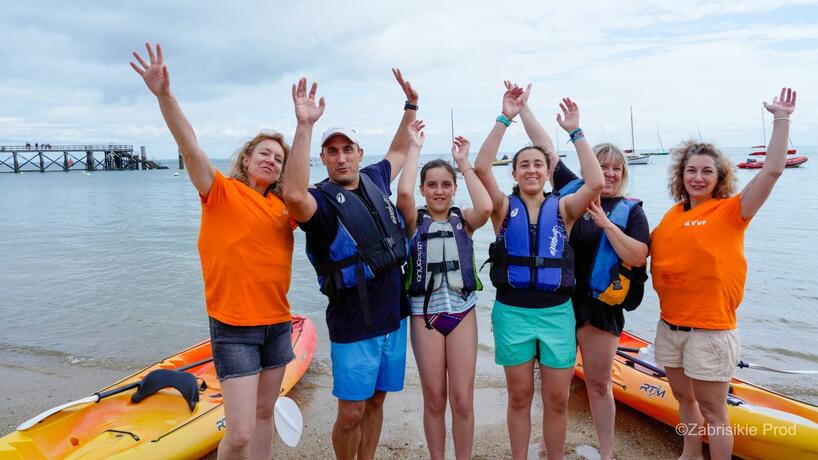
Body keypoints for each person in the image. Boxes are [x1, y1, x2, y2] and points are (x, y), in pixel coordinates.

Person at [130, 42, 296, 460]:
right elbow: (190, 147)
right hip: (234, 327)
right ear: (247, 157)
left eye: (279, 158)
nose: (271, 161)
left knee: (264, 414)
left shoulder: (284, 208)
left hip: (278, 324)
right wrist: (165, 95)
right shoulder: (220, 192)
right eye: (264, 153)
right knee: (238, 433)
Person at [650, 88, 797, 460]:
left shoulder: (732, 211)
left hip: (711, 331)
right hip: (670, 327)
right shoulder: (671, 216)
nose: (698, 178)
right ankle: (690, 454)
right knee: (684, 399)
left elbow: (772, 170)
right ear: (681, 175)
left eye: (707, 171)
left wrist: (781, 118)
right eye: (691, 170)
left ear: (719, 177)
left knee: (714, 411)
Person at [282, 70, 418, 460]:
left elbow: (399, 150)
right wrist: (304, 125)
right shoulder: (321, 204)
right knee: (351, 412)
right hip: (353, 322)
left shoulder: (375, 178)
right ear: (323, 159)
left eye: (347, 149)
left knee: (377, 400)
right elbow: (293, 196)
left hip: (393, 315)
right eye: (332, 151)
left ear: (359, 153)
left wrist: (410, 106)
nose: (341, 157)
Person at [510, 84, 650, 459]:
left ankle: (607, 452)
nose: (609, 173)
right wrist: (523, 110)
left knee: (599, 385)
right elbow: (545, 150)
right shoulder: (574, 190)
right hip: (558, 304)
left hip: (600, 308)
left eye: (616, 168)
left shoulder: (632, 211)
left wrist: (606, 224)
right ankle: (547, 444)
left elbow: (638, 257)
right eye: (603, 166)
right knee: (553, 385)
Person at [474, 83, 604, 460]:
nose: (531, 169)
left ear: (548, 172)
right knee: (519, 397)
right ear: (515, 173)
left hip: (556, 314)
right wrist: (505, 117)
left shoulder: (564, 208)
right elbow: (481, 167)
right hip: (512, 314)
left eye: (538, 164)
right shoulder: (502, 208)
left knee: (557, 400)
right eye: (524, 165)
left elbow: (596, 182)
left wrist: (575, 132)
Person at [396, 127, 492, 459]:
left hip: (462, 313)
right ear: (423, 188)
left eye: (446, 184)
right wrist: (414, 148)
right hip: (425, 317)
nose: (439, 191)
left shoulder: (464, 220)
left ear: (454, 188)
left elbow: (486, 206)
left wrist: (464, 163)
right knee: (435, 398)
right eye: (432, 185)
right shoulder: (412, 221)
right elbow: (403, 194)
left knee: (462, 399)